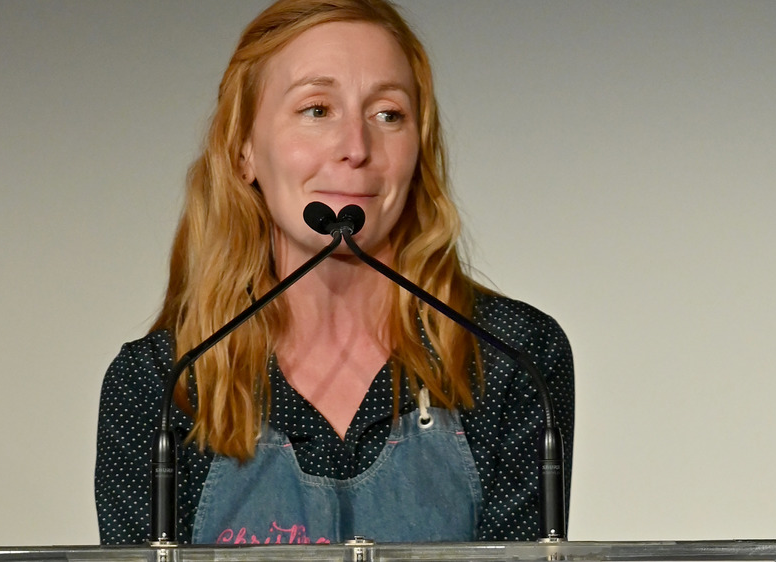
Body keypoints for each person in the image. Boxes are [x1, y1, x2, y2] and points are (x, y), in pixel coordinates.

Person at [95, 0, 573, 545]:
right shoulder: (162, 384)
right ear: (244, 150)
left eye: (388, 114)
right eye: (317, 109)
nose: (356, 148)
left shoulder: (512, 357)